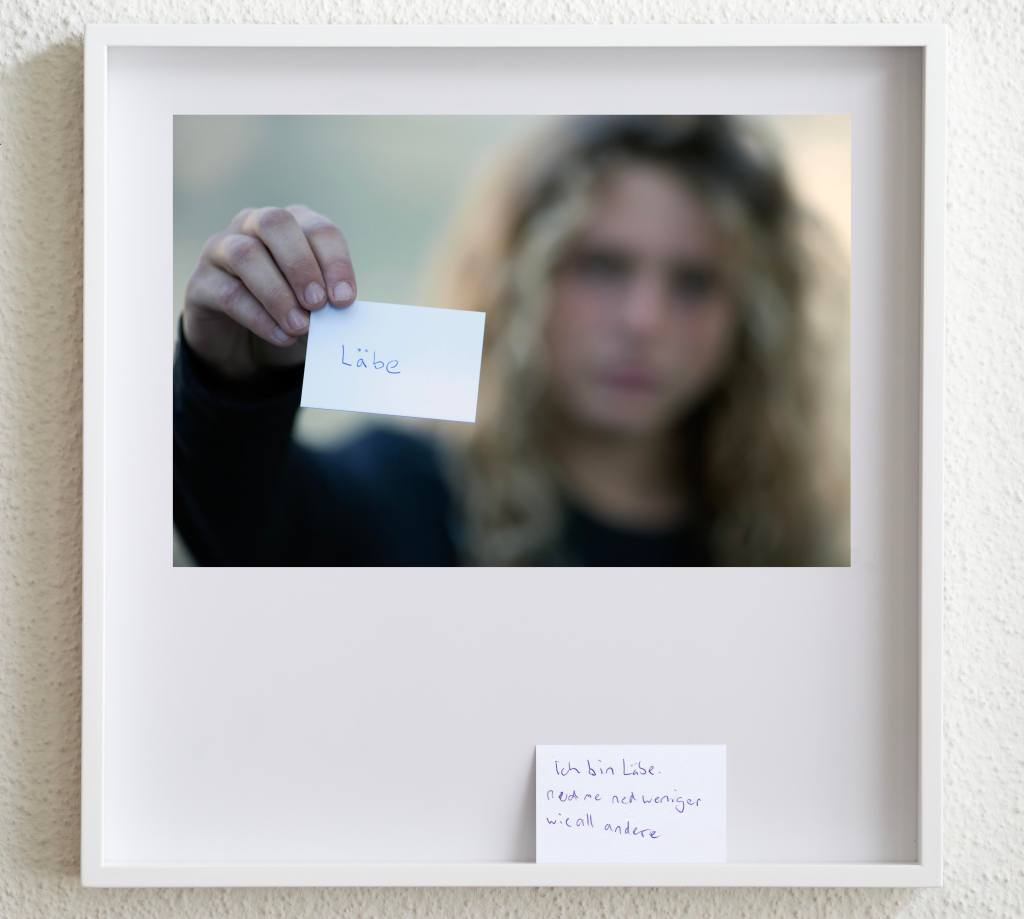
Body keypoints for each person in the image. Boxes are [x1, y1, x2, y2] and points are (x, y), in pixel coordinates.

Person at [173, 115, 849, 566]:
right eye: (601, 266)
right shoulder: (404, 493)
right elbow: (240, 531)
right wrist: (231, 378)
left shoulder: (794, 545)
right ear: (518, 279)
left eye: (695, 283)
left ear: (755, 316)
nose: (644, 320)